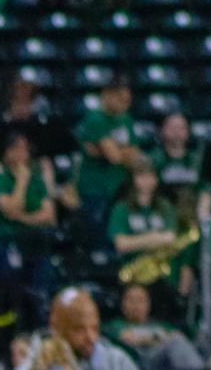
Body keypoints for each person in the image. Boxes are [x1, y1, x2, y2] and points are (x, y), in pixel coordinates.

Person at [8, 287, 146, 370]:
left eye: (94, 328)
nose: (91, 338)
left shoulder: (119, 363)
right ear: (56, 328)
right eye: (79, 329)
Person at [0, 127, 57, 327]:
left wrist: (20, 217)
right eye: (16, 149)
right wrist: (22, 182)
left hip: (33, 240)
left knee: (44, 281)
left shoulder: (36, 176)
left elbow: (50, 216)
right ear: (6, 151)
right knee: (8, 279)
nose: (22, 154)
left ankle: (39, 326)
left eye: (25, 149)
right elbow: (10, 207)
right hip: (6, 240)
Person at [108, 281, 204, 370]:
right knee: (175, 342)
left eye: (141, 300)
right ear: (123, 304)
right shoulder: (116, 325)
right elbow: (129, 339)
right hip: (139, 363)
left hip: (165, 364)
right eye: (131, 301)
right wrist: (157, 337)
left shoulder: (160, 324)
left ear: (148, 304)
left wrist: (155, 339)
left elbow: (178, 337)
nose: (136, 305)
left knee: (180, 343)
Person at [74, 73, 140, 232]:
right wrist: (118, 151)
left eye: (127, 101)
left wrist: (105, 149)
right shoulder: (96, 118)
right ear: (106, 95)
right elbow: (115, 157)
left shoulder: (126, 119)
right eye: (120, 99)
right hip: (96, 189)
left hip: (119, 188)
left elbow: (135, 155)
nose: (125, 105)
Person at [108, 160, 177, 260]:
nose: (146, 181)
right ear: (133, 179)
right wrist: (153, 237)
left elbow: (170, 238)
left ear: (157, 179)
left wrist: (135, 242)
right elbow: (121, 244)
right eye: (141, 176)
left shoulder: (165, 206)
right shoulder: (121, 208)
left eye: (151, 176)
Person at [151, 110, 201, 200]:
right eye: (172, 127)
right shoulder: (152, 159)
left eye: (181, 127)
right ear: (162, 130)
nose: (176, 132)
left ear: (188, 131)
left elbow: (206, 188)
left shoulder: (197, 160)